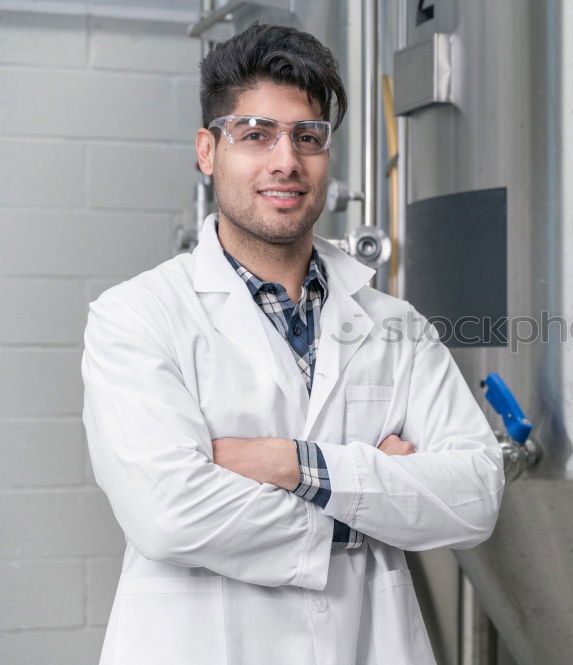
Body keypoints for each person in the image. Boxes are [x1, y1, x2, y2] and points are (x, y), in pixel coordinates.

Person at [81, 23, 504, 665]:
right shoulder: (136, 316)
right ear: (207, 150)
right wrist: (368, 494)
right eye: (256, 135)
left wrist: (292, 464)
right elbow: (168, 512)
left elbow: (475, 496)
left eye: (308, 137)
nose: (287, 161)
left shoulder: (395, 323)